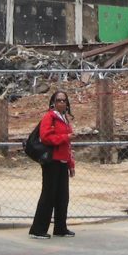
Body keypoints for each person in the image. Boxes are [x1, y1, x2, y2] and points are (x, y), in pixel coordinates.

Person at [29, 90, 76, 239]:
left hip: (62, 161)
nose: (62, 103)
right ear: (53, 102)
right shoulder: (49, 117)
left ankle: (60, 228)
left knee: (63, 196)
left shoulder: (64, 118)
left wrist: (70, 163)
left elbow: (68, 146)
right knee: (48, 195)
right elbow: (46, 137)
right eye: (59, 100)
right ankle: (38, 229)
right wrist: (65, 137)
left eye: (64, 100)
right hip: (51, 162)